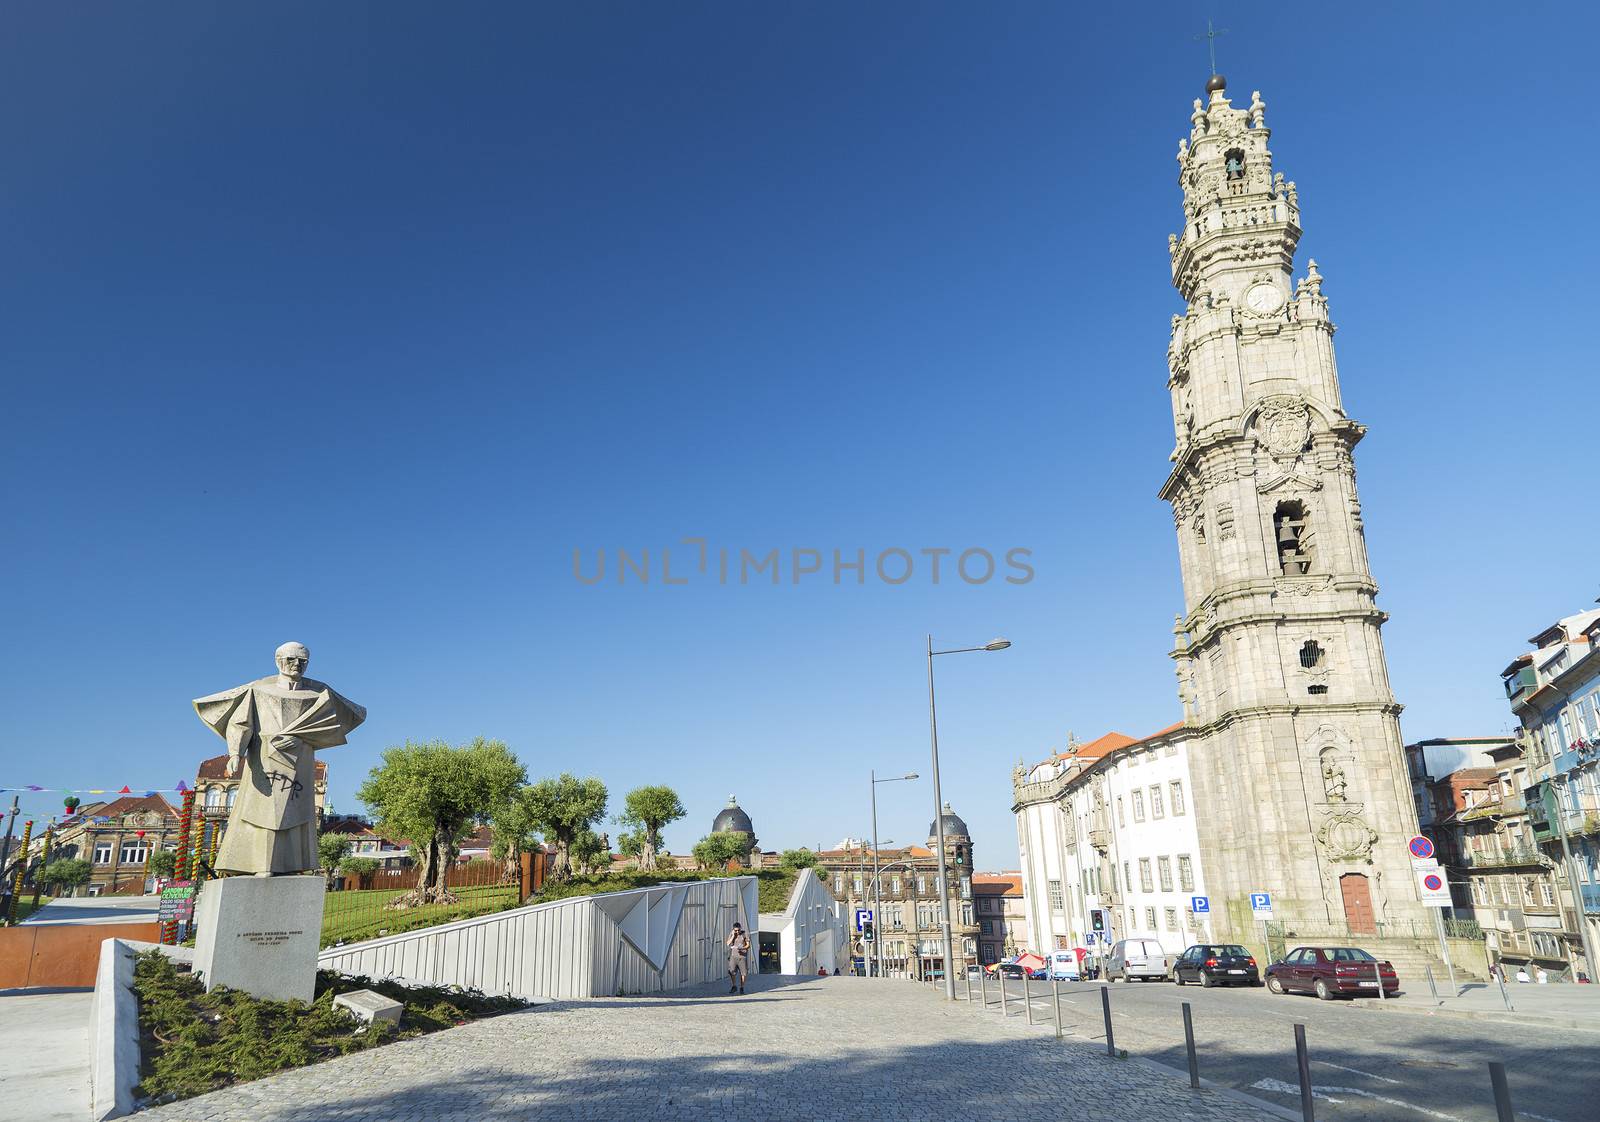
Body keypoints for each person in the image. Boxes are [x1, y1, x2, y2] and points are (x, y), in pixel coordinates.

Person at [726, 922, 750, 994]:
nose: (737, 932)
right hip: (733, 956)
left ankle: (742, 987)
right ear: (733, 929)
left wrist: (742, 948)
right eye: (735, 930)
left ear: (740, 928)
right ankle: (734, 986)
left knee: (743, 973)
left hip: (742, 956)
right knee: (731, 971)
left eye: (738, 930)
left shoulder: (744, 934)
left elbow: (748, 945)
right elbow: (727, 943)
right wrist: (733, 936)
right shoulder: (732, 934)